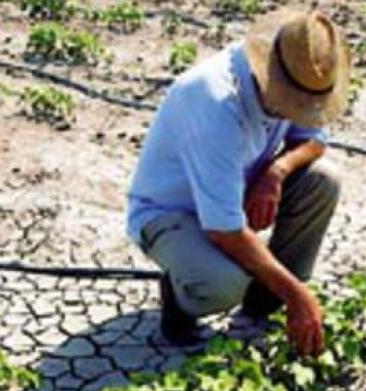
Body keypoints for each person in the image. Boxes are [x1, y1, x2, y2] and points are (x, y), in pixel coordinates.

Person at [125, 7, 351, 356]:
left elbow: (315, 140)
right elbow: (224, 229)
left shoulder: (297, 72)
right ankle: (178, 305)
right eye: (294, 102)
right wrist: (299, 295)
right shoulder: (214, 100)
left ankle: (264, 303)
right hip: (172, 213)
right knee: (222, 284)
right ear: (271, 76)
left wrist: (276, 172)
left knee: (323, 182)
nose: (298, 109)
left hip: (234, 194)